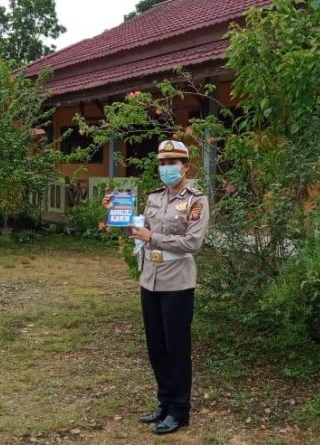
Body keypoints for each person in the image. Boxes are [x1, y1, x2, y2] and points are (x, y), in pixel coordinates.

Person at [128, 140, 210, 435]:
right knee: (156, 347)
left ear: (186, 167)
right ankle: (164, 402)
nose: (166, 168)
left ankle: (179, 410)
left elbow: (192, 242)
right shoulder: (155, 198)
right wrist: (123, 218)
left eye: (172, 163)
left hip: (177, 282)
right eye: (162, 163)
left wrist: (152, 237)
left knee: (176, 348)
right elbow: (143, 231)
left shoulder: (196, 201)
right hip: (150, 279)